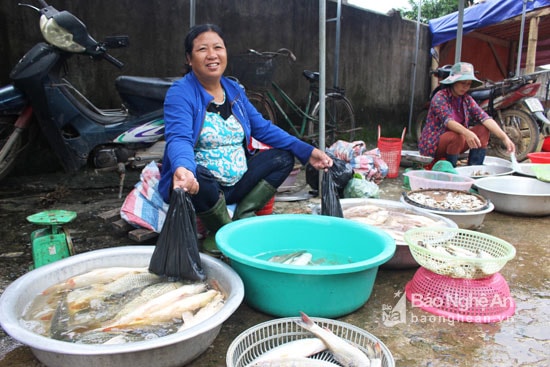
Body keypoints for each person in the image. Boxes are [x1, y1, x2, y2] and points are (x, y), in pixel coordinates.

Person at [158, 23, 333, 254]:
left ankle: (243, 214)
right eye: (202, 49)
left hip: (238, 182)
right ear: (189, 58)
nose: (212, 55)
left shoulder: (234, 89)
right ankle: (221, 229)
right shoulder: (181, 92)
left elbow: (263, 128)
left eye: (218, 47)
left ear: (225, 52)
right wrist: (183, 169)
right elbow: (178, 138)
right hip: (203, 188)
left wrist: (307, 151)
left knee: (283, 157)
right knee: (198, 173)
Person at [418, 62, 515, 167]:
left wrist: (504, 137)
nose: (465, 87)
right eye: (462, 83)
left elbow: (485, 118)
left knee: (483, 130)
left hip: (456, 143)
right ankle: (450, 170)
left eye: (468, 84)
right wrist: (467, 132)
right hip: (434, 145)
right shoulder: (440, 97)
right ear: (454, 82)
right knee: (457, 136)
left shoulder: (466, 99)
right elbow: (449, 122)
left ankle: (474, 169)